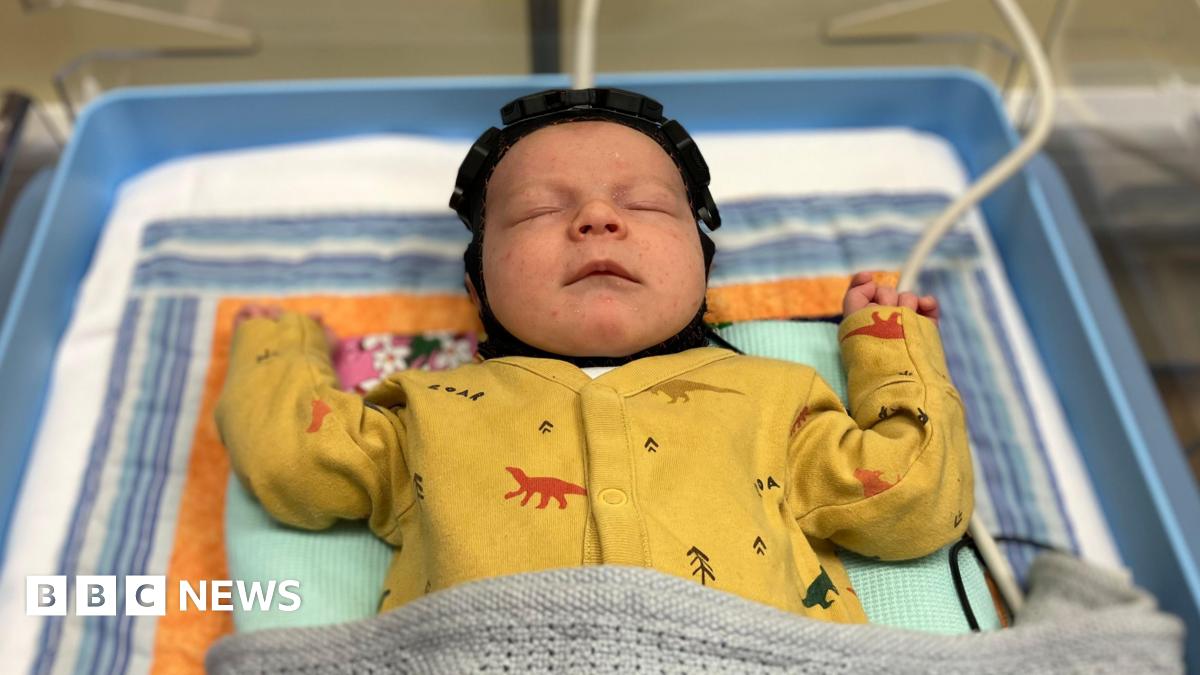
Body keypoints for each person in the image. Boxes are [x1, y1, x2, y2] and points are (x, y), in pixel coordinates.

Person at [216, 89, 971, 624]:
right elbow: (295, 462)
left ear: (703, 266)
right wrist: (277, 350)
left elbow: (910, 503)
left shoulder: (777, 397)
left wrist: (886, 348)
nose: (598, 219)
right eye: (540, 209)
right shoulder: (426, 411)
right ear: (478, 282)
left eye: (643, 204)